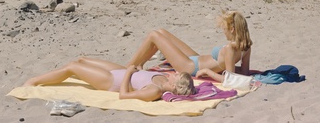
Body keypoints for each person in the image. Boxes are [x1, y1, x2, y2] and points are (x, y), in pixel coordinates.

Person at [127, 11, 252, 83]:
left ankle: (126, 69)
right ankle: (139, 65)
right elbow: (245, 72)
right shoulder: (246, 47)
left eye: (224, 29)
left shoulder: (230, 49)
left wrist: (208, 71)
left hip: (190, 67)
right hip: (196, 59)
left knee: (154, 35)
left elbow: (229, 80)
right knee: (161, 32)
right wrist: (223, 66)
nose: (224, 32)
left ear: (232, 29)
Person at [23, 57, 195, 101]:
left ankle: (34, 81)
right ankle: (54, 76)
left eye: (177, 75)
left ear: (174, 84)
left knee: (72, 67)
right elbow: (142, 76)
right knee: (81, 60)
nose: (174, 72)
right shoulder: (163, 78)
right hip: (119, 71)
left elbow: (124, 95)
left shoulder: (154, 91)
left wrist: (128, 72)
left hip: (112, 81)